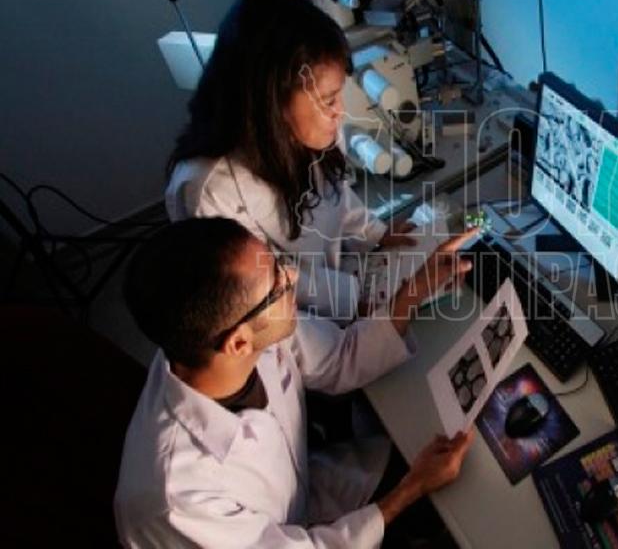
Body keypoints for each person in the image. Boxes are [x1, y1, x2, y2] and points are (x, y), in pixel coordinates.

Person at [115, 217, 477, 547]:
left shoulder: (225, 337)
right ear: (238, 344)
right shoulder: (179, 499)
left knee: (443, 474)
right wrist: (410, 490)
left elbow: (340, 357)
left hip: (306, 490)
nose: (292, 277)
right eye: (277, 285)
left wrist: (415, 289)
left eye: (276, 263)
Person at [165, 0, 414, 321]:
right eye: (328, 99)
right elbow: (266, 286)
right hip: (284, 326)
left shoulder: (316, 131)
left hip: (341, 293)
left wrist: (377, 235)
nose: (340, 112)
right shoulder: (208, 191)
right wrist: (354, 301)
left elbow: (339, 199)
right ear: (272, 102)